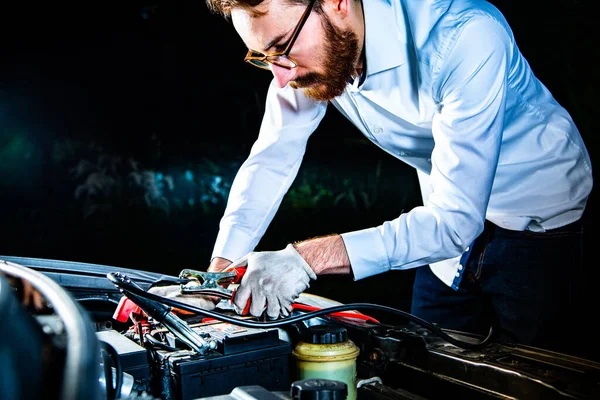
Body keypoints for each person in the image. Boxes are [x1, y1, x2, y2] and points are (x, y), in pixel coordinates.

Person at [157, 0, 593, 354]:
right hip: (440, 230)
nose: (282, 75)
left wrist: (306, 258)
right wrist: (216, 277)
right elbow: (270, 161)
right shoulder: (307, 54)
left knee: (533, 377)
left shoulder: (465, 34)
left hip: (538, 219)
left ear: (336, 3)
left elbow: (458, 221)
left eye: (283, 46)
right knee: (427, 363)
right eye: (265, 57)